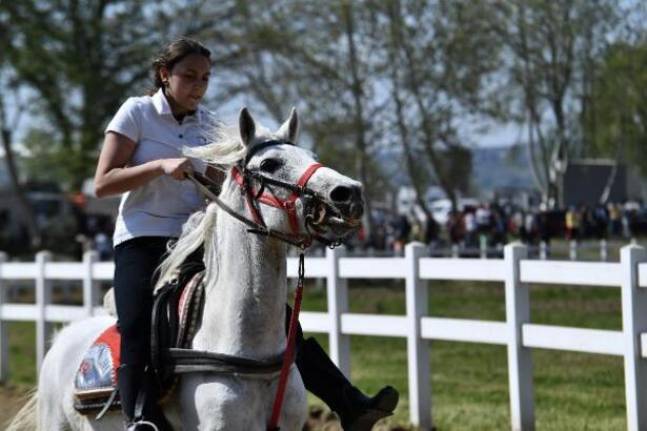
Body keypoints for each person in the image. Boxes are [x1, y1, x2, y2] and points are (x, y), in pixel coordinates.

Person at [94, 38, 397, 431]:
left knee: (279, 318)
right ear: (164, 75)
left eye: (205, 78)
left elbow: (233, 184)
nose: (198, 86)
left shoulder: (209, 124)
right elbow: (102, 183)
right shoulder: (136, 112)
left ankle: (347, 402)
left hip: (197, 238)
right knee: (137, 321)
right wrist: (161, 166)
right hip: (143, 236)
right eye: (188, 76)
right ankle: (142, 418)